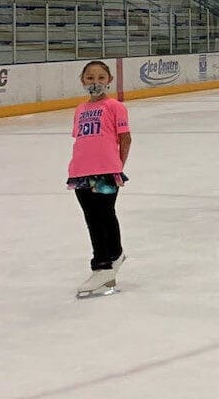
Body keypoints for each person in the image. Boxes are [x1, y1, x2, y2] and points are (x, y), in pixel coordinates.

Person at [69, 61, 132, 298]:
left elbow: (125, 139)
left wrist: (117, 166)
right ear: (82, 80)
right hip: (80, 173)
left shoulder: (115, 107)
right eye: (90, 78)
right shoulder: (80, 110)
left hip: (105, 171)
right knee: (92, 218)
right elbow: (82, 140)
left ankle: (104, 264)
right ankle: (112, 256)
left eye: (101, 77)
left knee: (104, 214)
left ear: (109, 80)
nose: (95, 82)